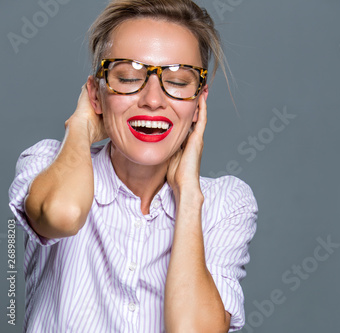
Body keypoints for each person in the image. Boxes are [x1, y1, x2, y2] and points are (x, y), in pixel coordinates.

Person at [8, 0, 258, 332]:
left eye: (179, 82)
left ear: (199, 104)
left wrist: (187, 196)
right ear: (96, 95)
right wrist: (80, 128)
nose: (153, 100)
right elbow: (62, 215)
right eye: (127, 77)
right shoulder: (46, 163)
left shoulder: (227, 203)